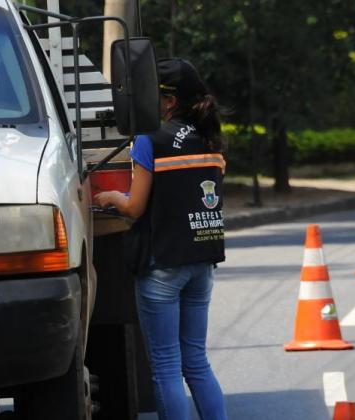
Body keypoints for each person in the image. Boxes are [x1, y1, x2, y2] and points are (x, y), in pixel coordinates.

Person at [94, 58, 228, 420]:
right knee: (196, 362)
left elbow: (135, 208)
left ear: (169, 101)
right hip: (202, 264)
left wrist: (108, 198)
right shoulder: (211, 139)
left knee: (167, 366)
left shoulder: (149, 139)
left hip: (162, 268)